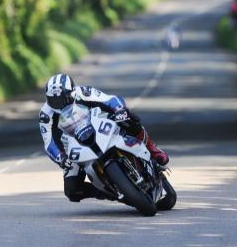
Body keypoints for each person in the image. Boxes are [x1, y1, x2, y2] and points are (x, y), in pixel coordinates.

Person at [39, 73, 169, 202]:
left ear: (72, 92)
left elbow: (110, 100)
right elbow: (49, 143)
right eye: (53, 100)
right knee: (72, 190)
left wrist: (119, 110)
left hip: (98, 125)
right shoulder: (45, 114)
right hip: (72, 144)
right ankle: (111, 193)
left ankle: (152, 149)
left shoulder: (84, 92)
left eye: (62, 99)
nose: (58, 104)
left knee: (129, 119)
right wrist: (61, 159)